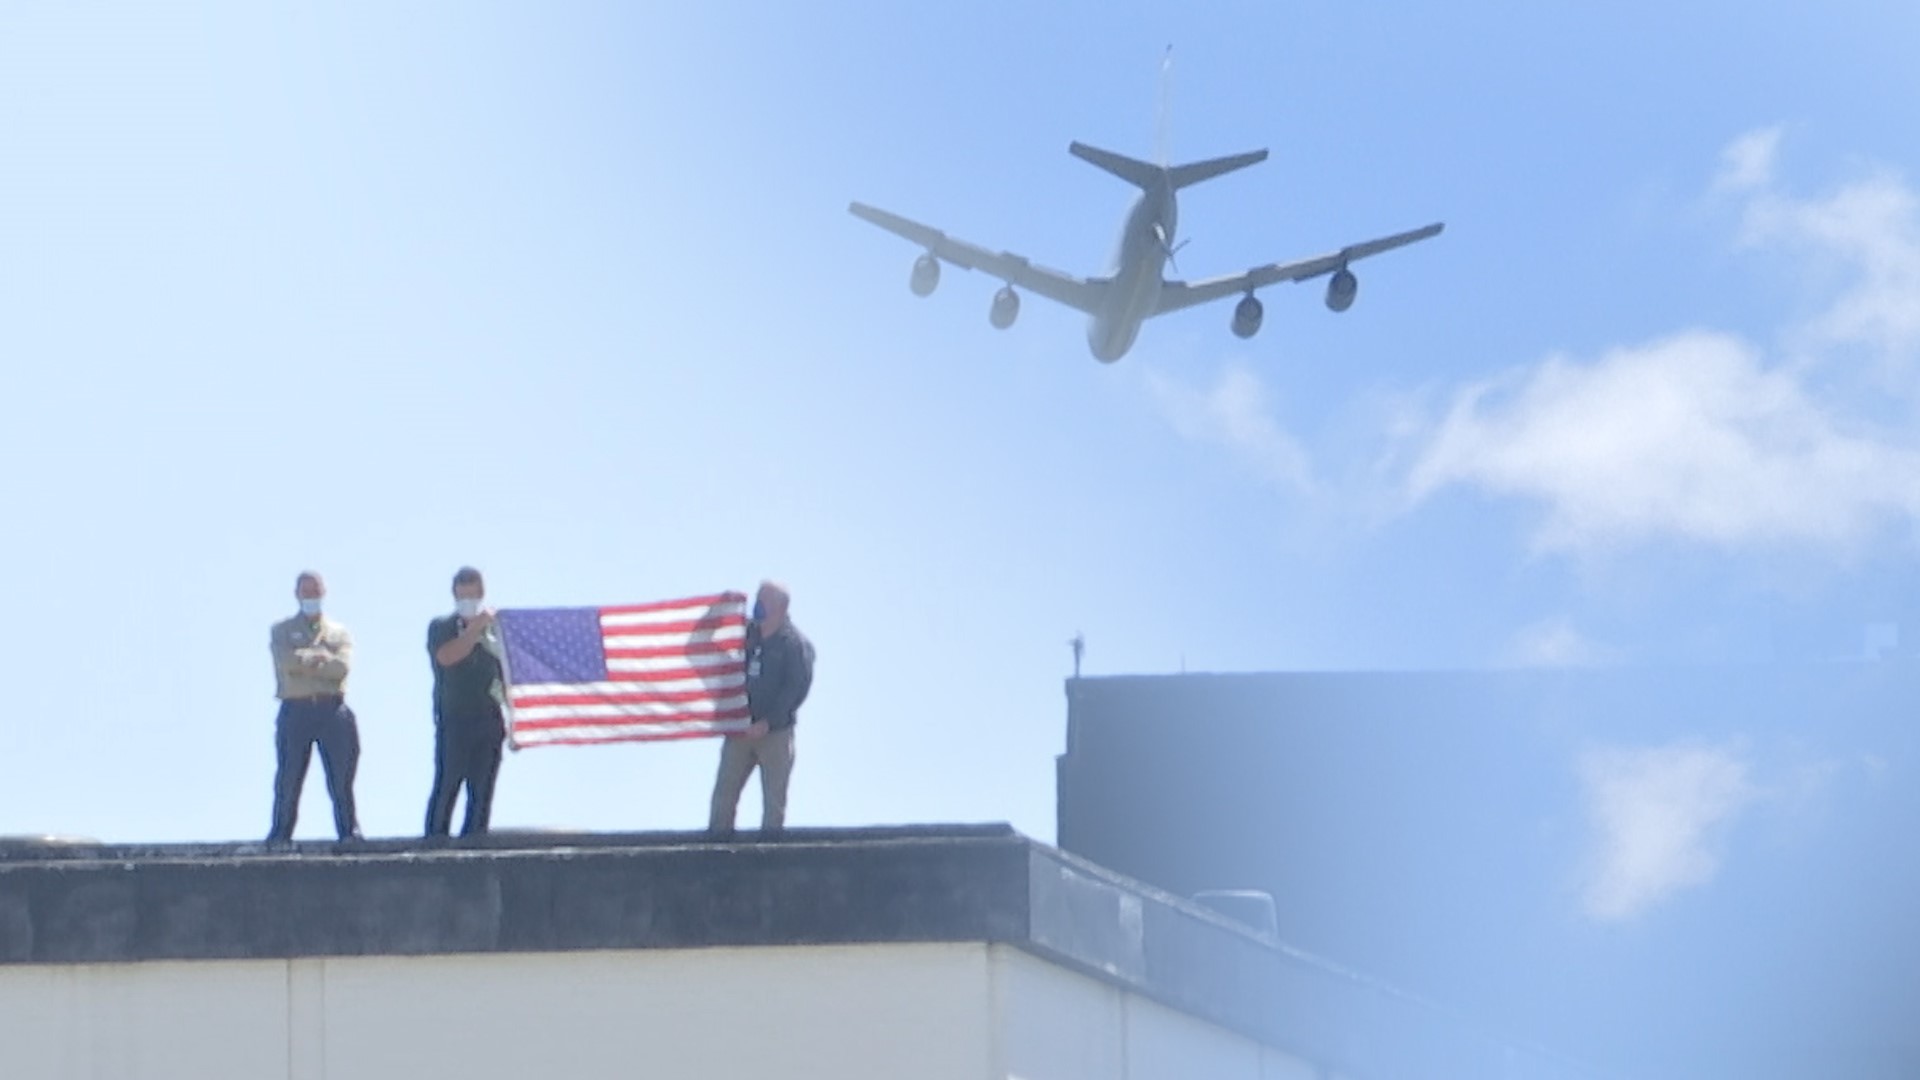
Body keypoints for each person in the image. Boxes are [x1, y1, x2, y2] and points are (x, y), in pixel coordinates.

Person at [707, 581, 815, 839]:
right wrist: (718, 609)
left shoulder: (794, 645)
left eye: (763, 599)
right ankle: (715, 853)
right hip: (740, 730)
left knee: (773, 802)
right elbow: (707, 642)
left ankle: (768, 859)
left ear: (780, 607)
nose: (757, 604)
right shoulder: (746, 634)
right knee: (724, 795)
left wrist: (768, 722)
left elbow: (795, 689)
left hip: (775, 734)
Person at [267, 571, 362, 843]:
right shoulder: (281, 630)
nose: (311, 597)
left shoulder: (338, 632)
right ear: (297, 594)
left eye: (316, 591)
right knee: (289, 776)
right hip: (296, 710)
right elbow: (286, 661)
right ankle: (280, 834)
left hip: (332, 709)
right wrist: (319, 659)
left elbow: (341, 668)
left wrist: (308, 662)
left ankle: (349, 831)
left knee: (341, 776)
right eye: (306, 592)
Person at [425, 566, 507, 837]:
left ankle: (474, 842)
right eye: (462, 597)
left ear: (481, 594)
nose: (467, 603)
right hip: (454, 720)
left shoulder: (498, 633)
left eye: (472, 596)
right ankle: (435, 843)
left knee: (482, 790)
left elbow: (508, 675)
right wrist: (474, 630)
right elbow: (446, 657)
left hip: (489, 719)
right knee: (447, 784)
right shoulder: (441, 628)